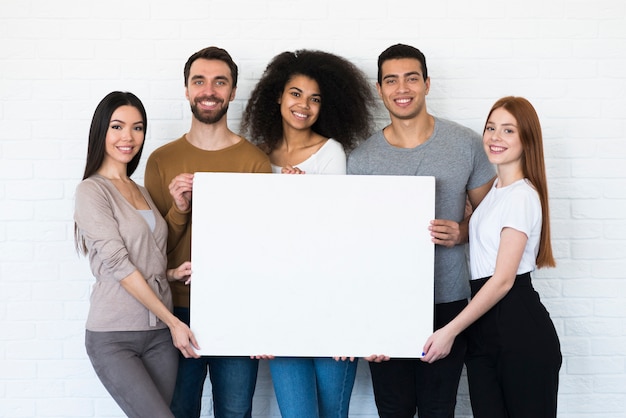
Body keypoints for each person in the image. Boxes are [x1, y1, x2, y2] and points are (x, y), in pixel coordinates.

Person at [347, 44, 496, 418]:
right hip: (385, 302)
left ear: (427, 84)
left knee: (438, 409)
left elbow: (493, 219)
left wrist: (462, 231)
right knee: (393, 409)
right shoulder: (361, 159)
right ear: (379, 89)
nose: (402, 88)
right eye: (391, 80)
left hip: (447, 302)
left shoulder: (465, 144)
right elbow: (353, 242)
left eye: (412, 78)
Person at [240, 49, 376, 418]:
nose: (305, 105)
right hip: (280, 304)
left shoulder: (330, 152)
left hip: (330, 304)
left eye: (315, 99)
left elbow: (338, 234)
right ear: (278, 97)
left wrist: (305, 196)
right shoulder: (256, 157)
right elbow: (253, 238)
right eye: (296, 94)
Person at [144, 46, 272, 418]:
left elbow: (264, 246)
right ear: (186, 90)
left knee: (235, 412)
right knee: (179, 410)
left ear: (232, 92)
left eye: (220, 82)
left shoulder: (254, 161)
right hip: (176, 312)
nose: (209, 90)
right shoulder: (161, 160)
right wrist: (180, 210)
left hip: (236, 308)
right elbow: (148, 250)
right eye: (199, 81)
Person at [421, 96, 562, 417]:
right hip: (487, 329)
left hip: (517, 325)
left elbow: (502, 281)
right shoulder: (496, 191)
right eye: (490, 128)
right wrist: (460, 228)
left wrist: (449, 331)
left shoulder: (522, 196)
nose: (495, 137)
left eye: (508, 130)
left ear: (527, 139)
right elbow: (480, 234)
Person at [74, 91, 200, 418]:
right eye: (117, 126)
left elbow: (147, 253)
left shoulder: (140, 189)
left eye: (137, 127)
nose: (128, 137)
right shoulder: (91, 191)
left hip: (158, 337)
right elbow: (118, 263)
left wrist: (171, 274)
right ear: (101, 130)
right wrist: (174, 322)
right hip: (114, 337)